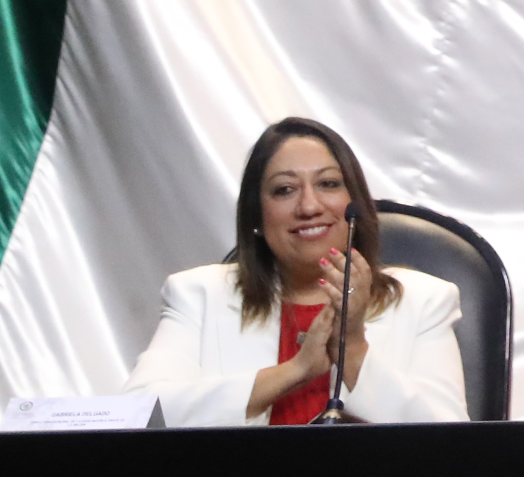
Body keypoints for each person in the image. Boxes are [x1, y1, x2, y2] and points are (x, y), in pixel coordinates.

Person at [126, 117, 469, 426]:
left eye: (328, 184)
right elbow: (136, 416)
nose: (308, 206)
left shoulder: (424, 300)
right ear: (257, 216)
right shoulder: (199, 295)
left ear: (356, 204)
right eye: (285, 190)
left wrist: (353, 348)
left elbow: (452, 442)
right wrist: (294, 371)